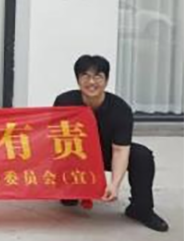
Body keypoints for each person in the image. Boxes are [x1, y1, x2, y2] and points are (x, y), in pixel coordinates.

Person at [54, 55, 169, 232]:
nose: (91, 82)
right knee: (67, 199)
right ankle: (74, 189)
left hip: (106, 153)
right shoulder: (64, 102)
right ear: (77, 79)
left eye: (98, 77)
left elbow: (120, 150)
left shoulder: (120, 109)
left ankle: (141, 209)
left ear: (106, 80)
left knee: (141, 156)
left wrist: (114, 185)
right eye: (85, 76)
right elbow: (54, 137)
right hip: (76, 154)